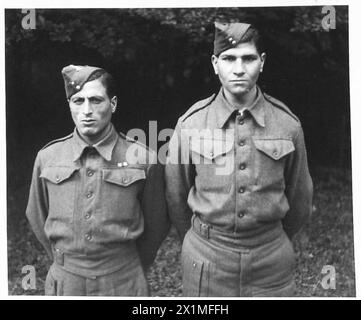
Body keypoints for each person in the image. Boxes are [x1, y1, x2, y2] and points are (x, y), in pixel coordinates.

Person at [165, 22, 313, 297]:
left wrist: (268, 239)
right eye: (228, 58)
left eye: (248, 58)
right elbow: (176, 195)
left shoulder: (286, 124)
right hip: (207, 261)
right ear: (215, 63)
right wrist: (204, 240)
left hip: (270, 261)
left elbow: (300, 197)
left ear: (262, 62)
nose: (238, 68)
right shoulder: (191, 124)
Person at [26, 65, 169, 296]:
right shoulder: (48, 157)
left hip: (123, 279)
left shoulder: (143, 158)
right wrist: (66, 260)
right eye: (78, 101)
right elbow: (36, 214)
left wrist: (128, 264)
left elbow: (157, 222)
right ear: (69, 105)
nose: (87, 110)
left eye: (95, 100)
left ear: (112, 104)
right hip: (66, 280)